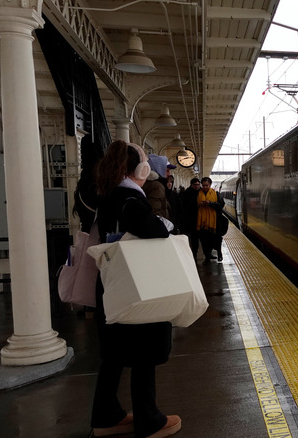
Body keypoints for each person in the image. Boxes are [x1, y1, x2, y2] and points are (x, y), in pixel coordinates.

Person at [91, 140, 181, 438]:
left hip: (112, 284)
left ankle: (107, 416)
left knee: (114, 355)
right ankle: (149, 420)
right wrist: (165, 225)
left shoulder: (107, 196)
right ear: (140, 169)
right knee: (145, 353)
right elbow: (152, 230)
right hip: (137, 285)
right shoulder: (129, 198)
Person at [196, 176, 224, 264]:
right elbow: (192, 205)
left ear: (210, 185)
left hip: (214, 221)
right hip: (202, 221)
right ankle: (207, 255)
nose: (205, 187)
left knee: (216, 238)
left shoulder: (216, 194)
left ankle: (219, 253)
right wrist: (199, 205)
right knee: (204, 239)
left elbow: (221, 205)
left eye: (207, 185)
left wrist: (210, 203)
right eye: (203, 185)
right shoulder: (197, 194)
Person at [143, 154, 176, 220]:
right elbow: (155, 212)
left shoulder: (152, 184)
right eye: (167, 170)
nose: (169, 174)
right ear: (159, 170)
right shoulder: (156, 186)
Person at [180, 178, 201, 259]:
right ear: (191, 185)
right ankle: (194, 253)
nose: (197, 186)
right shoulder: (186, 193)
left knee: (198, 237)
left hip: (200, 218)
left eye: (198, 185)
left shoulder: (201, 192)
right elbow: (184, 206)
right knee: (193, 237)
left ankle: (196, 252)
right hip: (190, 219)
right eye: (195, 185)